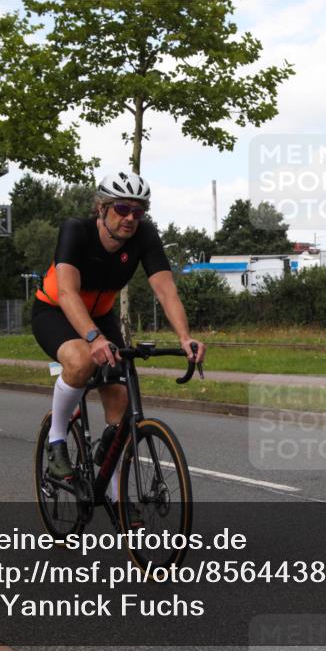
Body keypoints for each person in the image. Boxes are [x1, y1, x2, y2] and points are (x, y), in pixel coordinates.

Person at [32, 170, 205, 485]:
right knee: (81, 360)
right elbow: (68, 292)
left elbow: (166, 290)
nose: (130, 218)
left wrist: (184, 337)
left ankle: (115, 496)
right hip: (55, 310)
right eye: (122, 209)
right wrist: (93, 339)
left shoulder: (145, 235)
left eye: (138, 211)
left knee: (122, 391)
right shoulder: (75, 231)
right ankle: (57, 441)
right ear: (101, 207)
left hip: (101, 316)